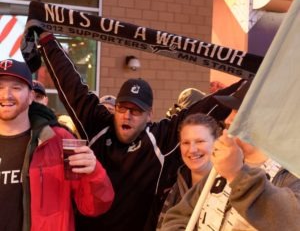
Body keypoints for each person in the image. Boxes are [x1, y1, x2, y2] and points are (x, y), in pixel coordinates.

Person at [22, 29, 245, 231]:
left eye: (136, 111)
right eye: (122, 108)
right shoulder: (99, 125)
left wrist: (251, 82)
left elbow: (212, 106)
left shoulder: (161, 139)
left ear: (149, 115)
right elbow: (71, 86)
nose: (127, 115)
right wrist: (47, 40)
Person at [161, 80, 300, 231]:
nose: (228, 119)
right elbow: (177, 216)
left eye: (238, 111)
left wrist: (237, 175)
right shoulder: (221, 169)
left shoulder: (291, 173)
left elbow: (292, 223)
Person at [0, 59, 114, 231]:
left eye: (16, 87)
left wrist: (94, 172)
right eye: (0, 87)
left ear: (31, 97)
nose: (6, 95)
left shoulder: (59, 141)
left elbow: (94, 206)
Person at [156, 113, 221, 230]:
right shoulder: (172, 185)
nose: (192, 150)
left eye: (200, 141)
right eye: (186, 143)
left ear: (216, 142)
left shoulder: (227, 187)